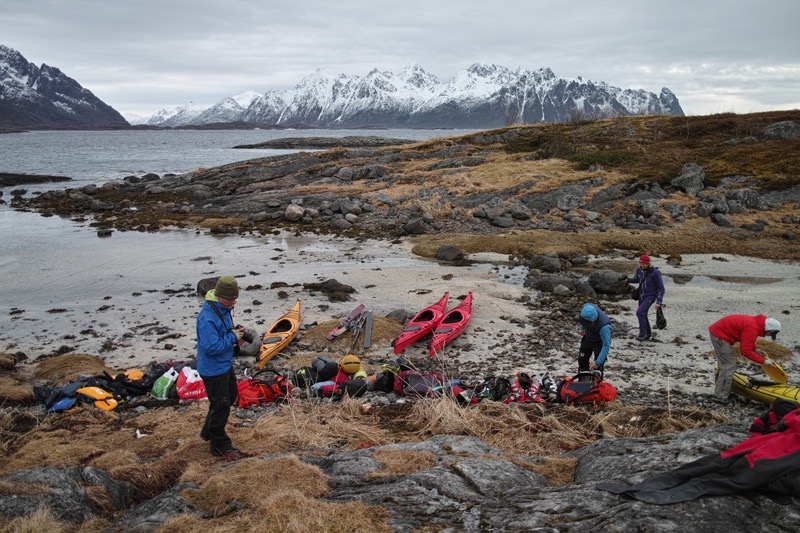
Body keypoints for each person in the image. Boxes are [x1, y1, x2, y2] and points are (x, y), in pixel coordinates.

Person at [196, 275, 247, 460]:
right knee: (221, 405)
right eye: (230, 299)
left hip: (224, 364)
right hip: (213, 369)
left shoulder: (223, 308)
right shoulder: (207, 317)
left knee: (231, 396)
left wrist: (234, 335)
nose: (233, 302)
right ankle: (220, 445)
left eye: (235, 298)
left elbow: (221, 336)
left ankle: (207, 431)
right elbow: (211, 347)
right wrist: (233, 337)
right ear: (219, 295)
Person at [708, 314, 782, 405]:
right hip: (720, 336)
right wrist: (764, 361)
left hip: (718, 333)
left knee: (724, 365)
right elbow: (745, 351)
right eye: (770, 334)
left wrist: (755, 349)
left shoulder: (756, 324)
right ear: (769, 329)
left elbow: (745, 338)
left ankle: (720, 392)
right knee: (729, 365)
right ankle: (720, 396)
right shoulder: (753, 328)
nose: (768, 336)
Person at [628, 254, 665, 341]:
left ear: (649, 263)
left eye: (645, 263)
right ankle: (647, 333)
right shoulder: (639, 270)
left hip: (651, 296)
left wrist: (659, 301)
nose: (643, 265)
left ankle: (642, 334)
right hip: (641, 295)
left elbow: (661, 288)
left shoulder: (655, 272)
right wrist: (627, 280)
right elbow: (637, 279)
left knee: (640, 312)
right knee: (643, 313)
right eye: (642, 263)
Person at [577, 303, 612, 378]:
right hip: (587, 337)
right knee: (582, 360)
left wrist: (597, 362)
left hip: (599, 342)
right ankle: (583, 378)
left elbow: (606, 345)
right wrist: (582, 328)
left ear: (591, 321)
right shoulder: (587, 306)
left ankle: (597, 381)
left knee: (597, 367)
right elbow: (583, 320)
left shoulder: (605, 327)